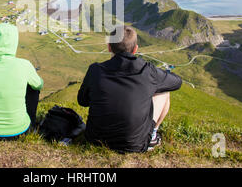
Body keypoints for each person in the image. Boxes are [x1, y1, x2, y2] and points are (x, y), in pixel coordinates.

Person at [77, 25, 182, 153]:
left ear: (109, 47)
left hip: (95, 139)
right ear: (135, 49)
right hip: (135, 144)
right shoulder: (148, 71)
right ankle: (152, 135)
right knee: (164, 92)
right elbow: (177, 83)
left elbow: (82, 101)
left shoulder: (95, 70)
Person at [0, 23, 44, 140]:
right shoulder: (24, 65)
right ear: (14, 43)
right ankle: (30, 123)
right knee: (33, 88)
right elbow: (39, 85)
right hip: (19, 132)